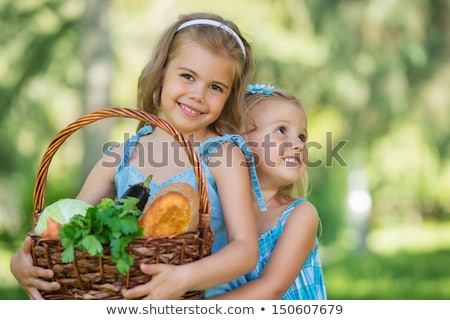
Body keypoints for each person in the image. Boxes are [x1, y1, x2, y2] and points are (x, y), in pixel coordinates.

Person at [10, 12, 265, 300]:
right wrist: (19, 260)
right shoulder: (121, 155)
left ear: (229, 96)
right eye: (187, 76)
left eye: (215, 87)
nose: (198, 94)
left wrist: (185, 277)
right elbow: (66, 223)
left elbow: (245, 250)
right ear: (161, 75)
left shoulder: (222, 156)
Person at [210, 84, 327, 299]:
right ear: (238, 141)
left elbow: (271, 288)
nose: (298, 145)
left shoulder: (299, 215)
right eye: (281, 130)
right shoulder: (221, 215)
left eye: (302, 137)